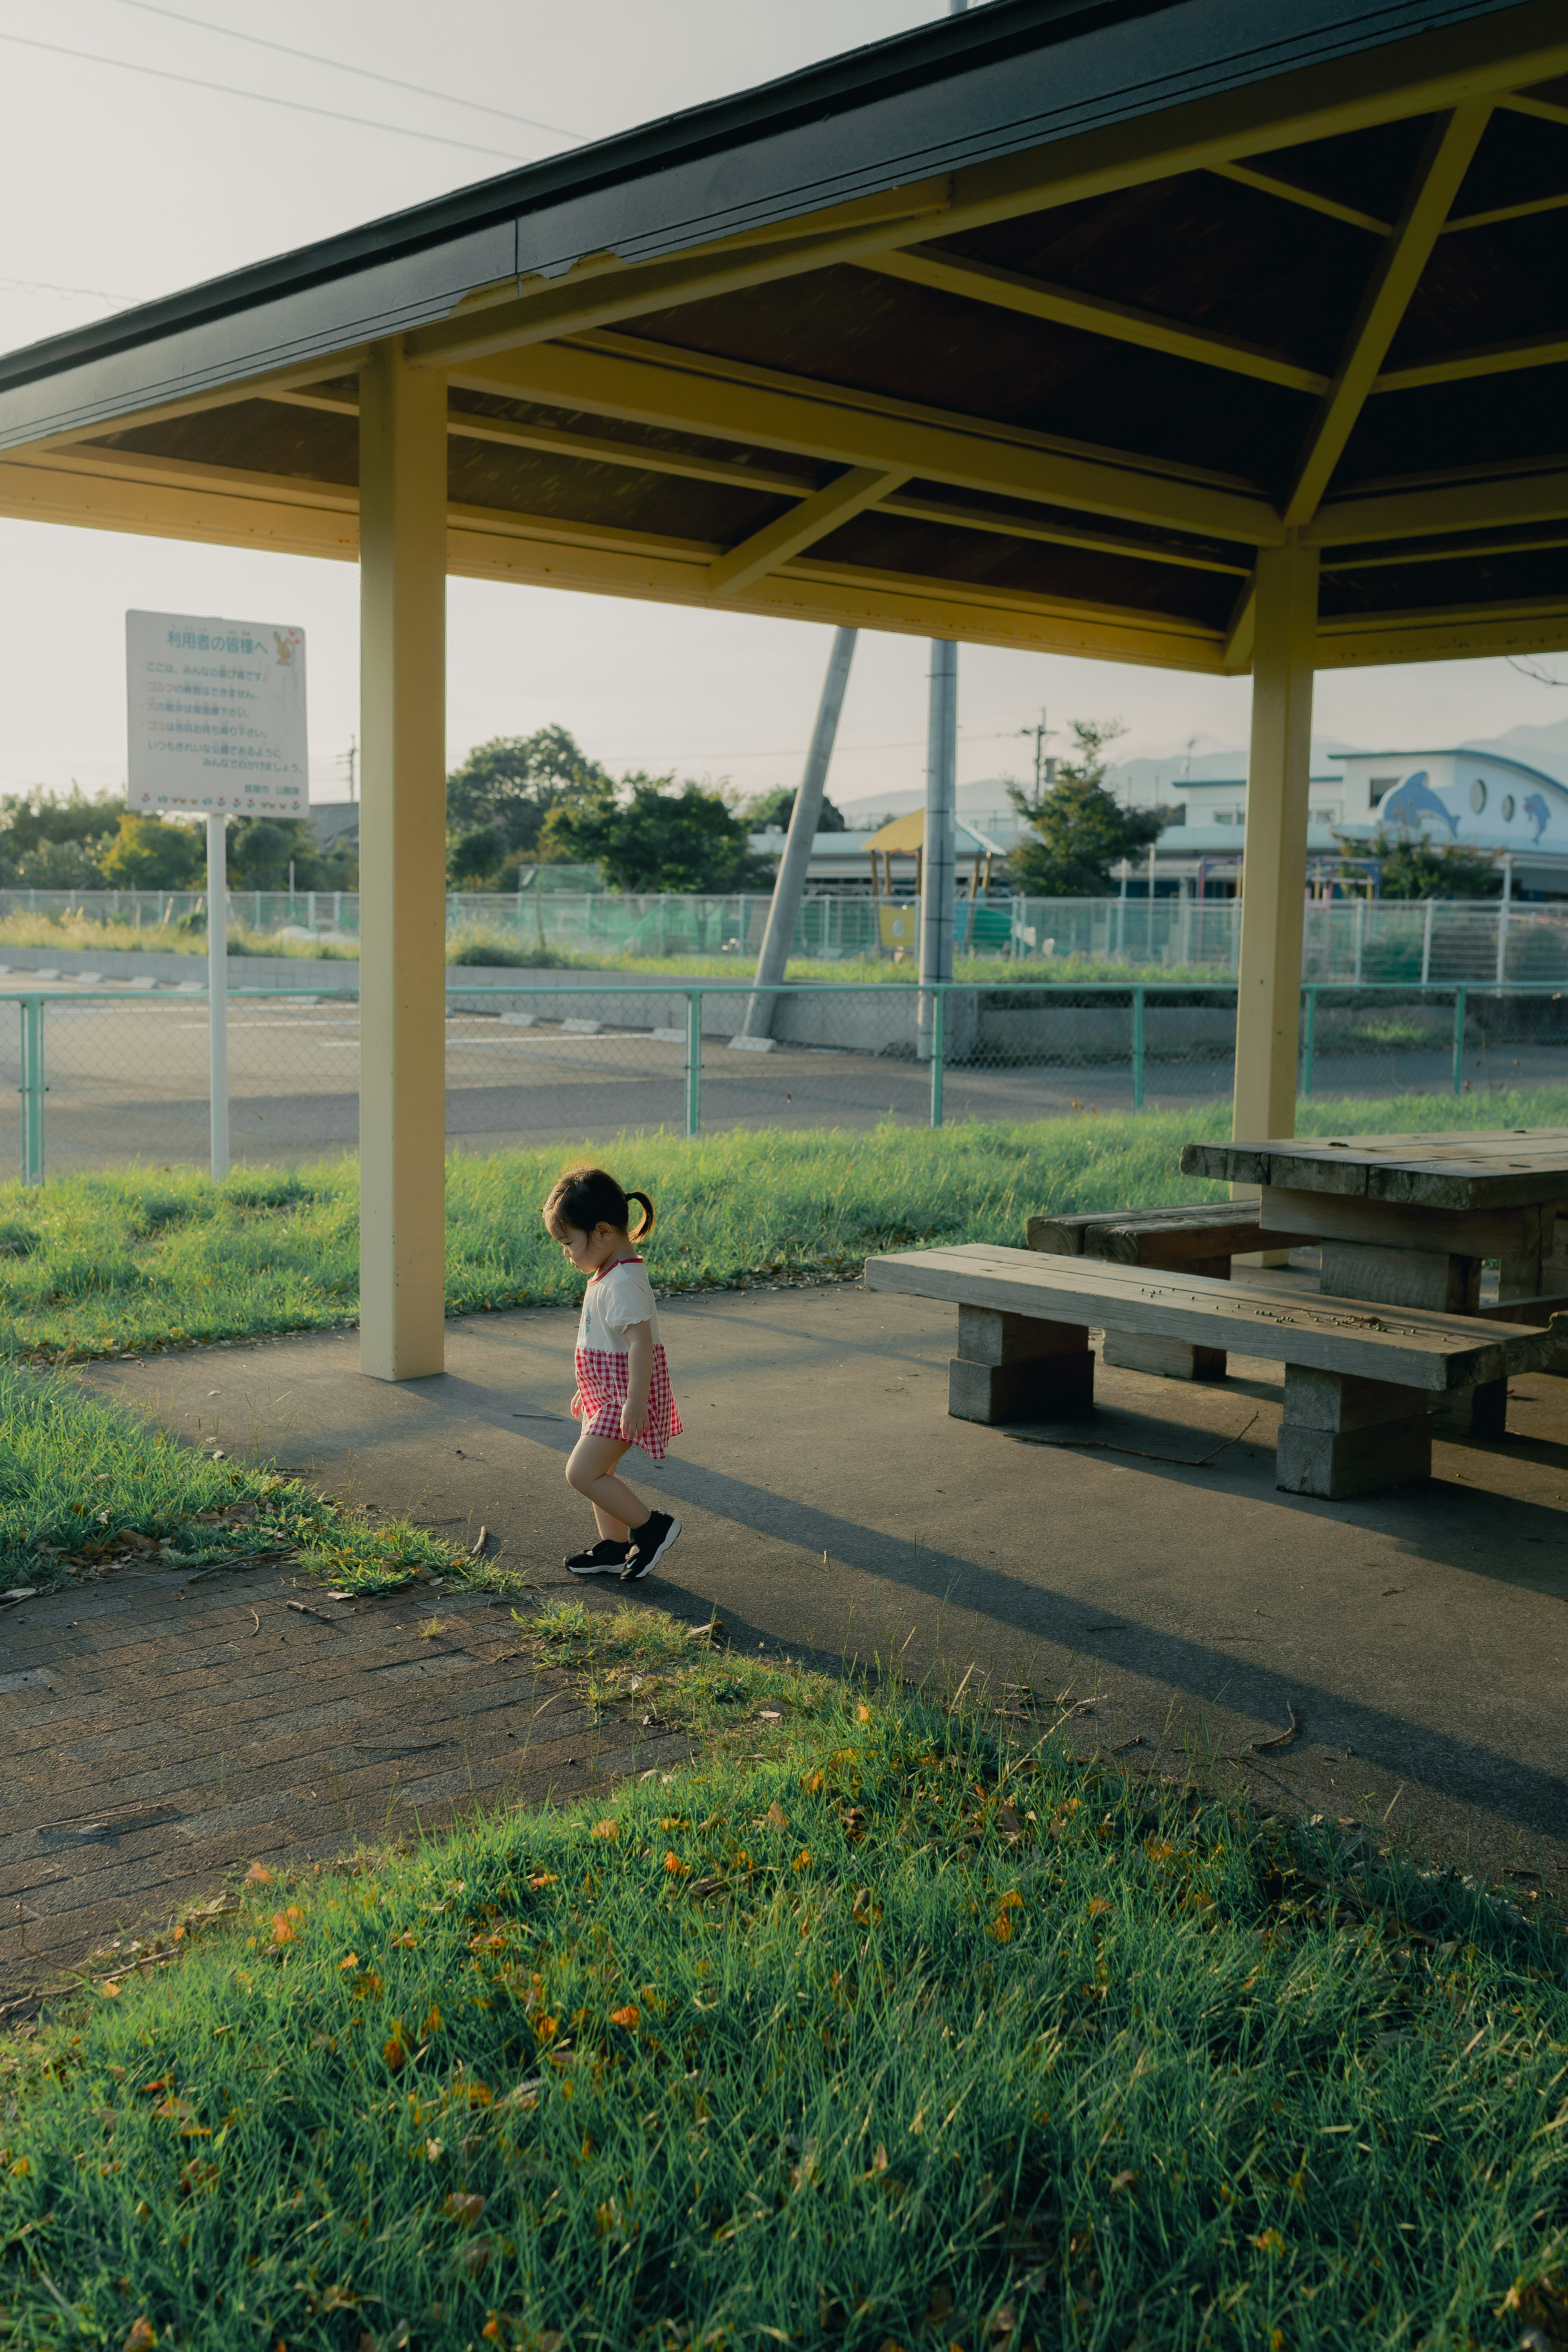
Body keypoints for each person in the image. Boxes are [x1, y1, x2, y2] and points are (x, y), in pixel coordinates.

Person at [542, 1163, 682, 1582]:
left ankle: (652, 1529)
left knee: (582, 1473)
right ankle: (615, 1547)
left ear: (602, 1232)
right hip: (608, 1393)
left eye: (569, 1242)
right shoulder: (608, 1273)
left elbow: (641, 1345)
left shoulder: (623, 1282)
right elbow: (606, 1343)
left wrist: (636, 1401)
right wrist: (587, 1390)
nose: (566, 1253)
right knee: (599, 1473)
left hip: (626, 1397)